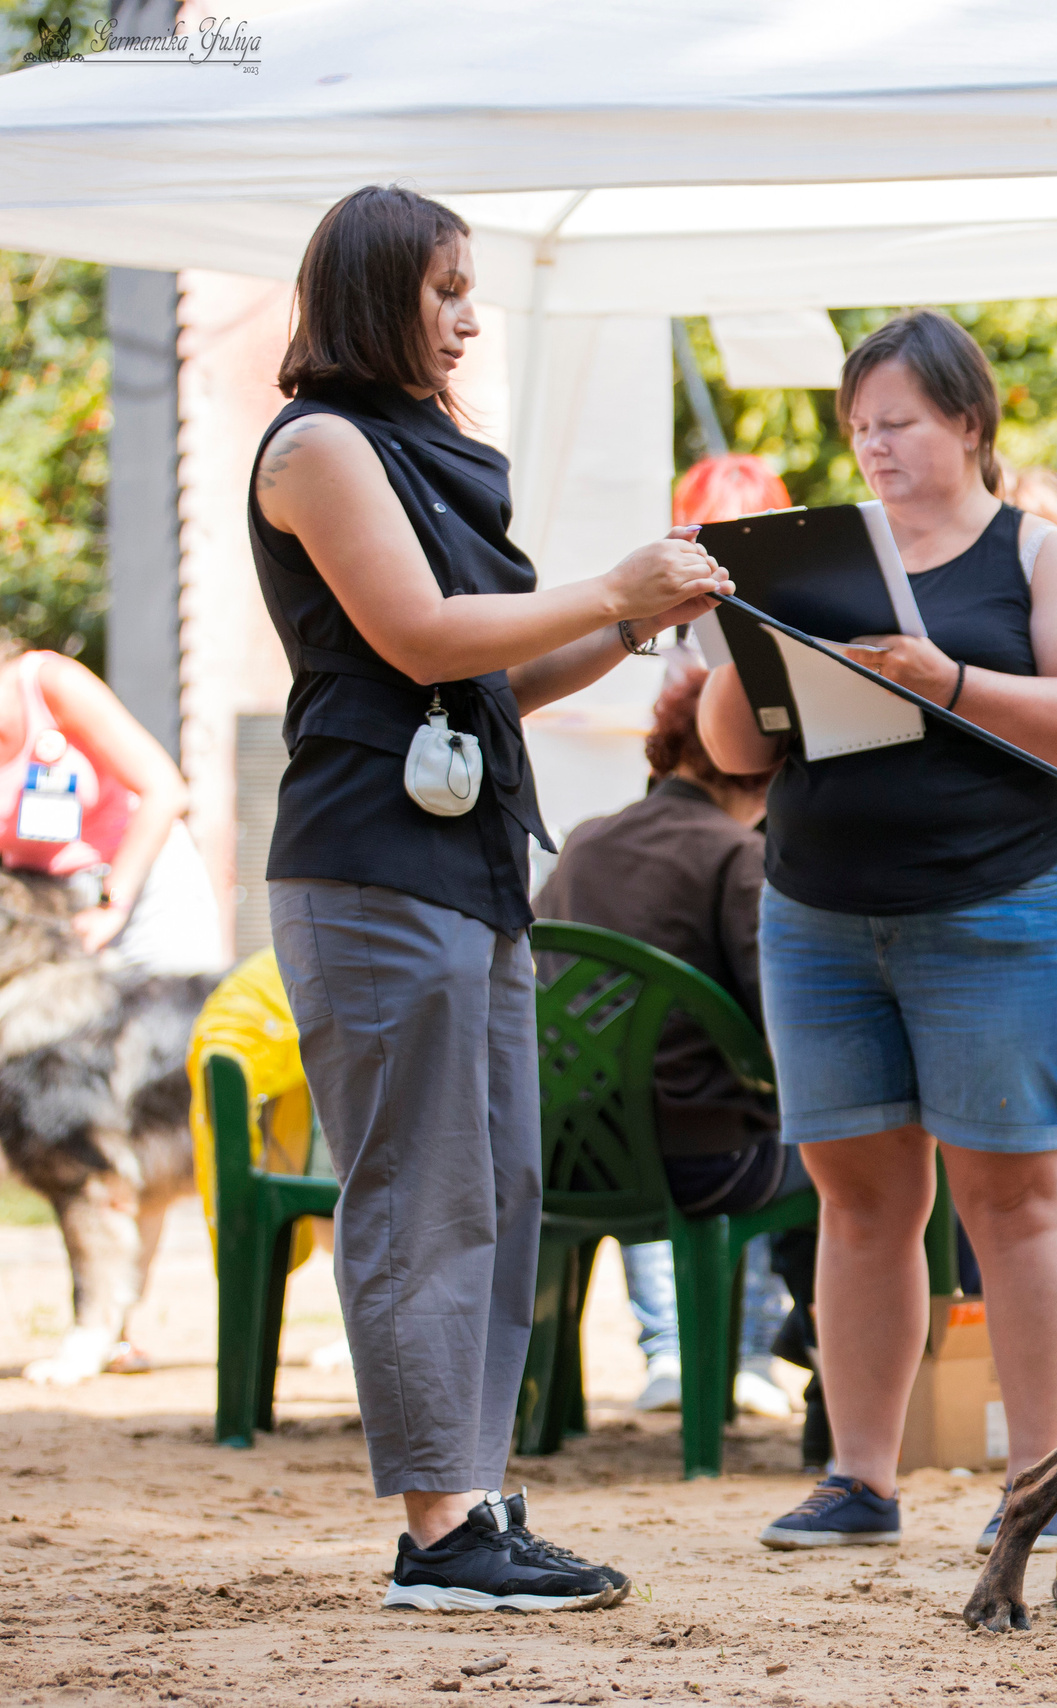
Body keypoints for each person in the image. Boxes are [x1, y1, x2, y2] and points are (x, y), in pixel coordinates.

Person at [251, 185, 730, 1612]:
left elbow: (490, 681)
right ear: (375, 291)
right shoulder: (321, 444)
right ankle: (438, 1530)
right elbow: (416, 635)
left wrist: (632, 623)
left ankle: (474, 1500)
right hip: (368, 862)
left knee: (503, 1189)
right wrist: (604, 587)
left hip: (467, 865)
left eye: (473, 287)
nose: (470, 315)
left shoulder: (432, 451)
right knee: (420, 1197)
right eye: (446, 287)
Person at [699, 309, 1057, 1553]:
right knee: (858, 1200)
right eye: (858, 428)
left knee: (1014, 1194)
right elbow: (732, 750)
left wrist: (943, 680)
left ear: (968, 423)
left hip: (1000, 908)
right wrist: (752, 632)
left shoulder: (1038, 557)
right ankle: (860, 1476)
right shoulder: (821, 556)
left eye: (898, 422)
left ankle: (1044, 1484)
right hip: (821, 914)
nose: (874, 447)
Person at [533, 659, 804, 1422]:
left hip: (561, 1156)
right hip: (702, 1165)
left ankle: (548, 1405)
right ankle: (822, 1390)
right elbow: (778, 1023)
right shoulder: (738, 854)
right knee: (857, 1170)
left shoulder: (584, 842)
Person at [0, 637, 222, 975]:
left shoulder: (50, 683)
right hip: (47, 907)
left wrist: (112, 904)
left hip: (140, 883)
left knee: (175, 1017)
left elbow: (164, 790)